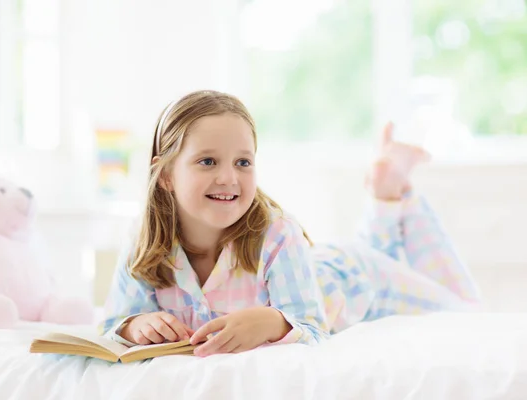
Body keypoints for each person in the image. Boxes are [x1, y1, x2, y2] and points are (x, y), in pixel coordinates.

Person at [100, 90, 480, 358]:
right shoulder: (145, 243)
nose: (229, 177)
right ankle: (386, 192)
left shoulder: (277, 233)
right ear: (165, 175)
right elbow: (115, 320)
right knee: (380, 250)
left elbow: (313, 327)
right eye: (208, 161)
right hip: (317, 264)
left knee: (466, 310)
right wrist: (136, 325)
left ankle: (389, 192)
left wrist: (273, 322)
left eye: (243, 162)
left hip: (355, 279)